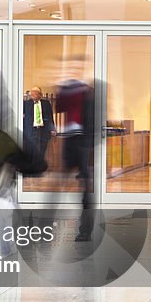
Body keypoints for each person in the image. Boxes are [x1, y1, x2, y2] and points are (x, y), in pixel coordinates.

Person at [55, 58, 96, 242]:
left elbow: (92, 119)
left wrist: (89, 144)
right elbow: (59, 108)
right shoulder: (68, 91)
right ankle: (46, 227)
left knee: (85, 189)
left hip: (82, 142)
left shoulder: (88, 92)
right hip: (71, 140)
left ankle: (85, 230)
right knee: (59, 183)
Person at [22, 86, 55, 162]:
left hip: (43, 130)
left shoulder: (46, 104)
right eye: (32, 92)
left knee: (42, 149)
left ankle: (39, 165)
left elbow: (50, 117)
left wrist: (52, 129)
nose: (33, 94)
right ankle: (31, 167)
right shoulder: (26, 104)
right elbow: (22, 116)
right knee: (31, 150)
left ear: (40, 94)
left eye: (35, 92)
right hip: (31, 130)